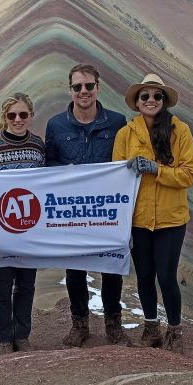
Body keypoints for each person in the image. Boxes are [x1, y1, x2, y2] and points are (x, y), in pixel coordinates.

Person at [45, 63, 131, 347]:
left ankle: (113, 325)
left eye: (89, 86)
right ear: (70, 90)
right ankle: (79, 324)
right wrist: (65, 171)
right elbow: (48, 164)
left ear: (98, 87)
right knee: (75, 269)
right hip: (73, 211)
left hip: (108, 211)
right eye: (78, 86)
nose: (84, 91)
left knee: (111, 266)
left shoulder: (117, 122)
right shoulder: (56, 126)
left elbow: (126, 162)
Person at [113, 73, 193, 353]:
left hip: (171, 220)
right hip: (138, 220)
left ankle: (175, 330)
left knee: (166, 275)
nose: (151, 100)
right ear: (137, 102)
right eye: (145, 96)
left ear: (164, 101)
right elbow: (116, 175)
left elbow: (189, 174)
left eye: (156, 96)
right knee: (145, 275)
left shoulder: (180, 131)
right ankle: (151, 328)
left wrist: (156, 169)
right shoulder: (125, 134)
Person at [0, 93, 46, 354]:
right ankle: (4, 338)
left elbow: (48, 184)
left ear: (31, 116)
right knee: (3, 286)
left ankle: (22, 335)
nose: (18, 120)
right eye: (12, 115)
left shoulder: (39, 146)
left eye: (23, 115)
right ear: (4, 117)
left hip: (31, 229)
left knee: (27, 284)